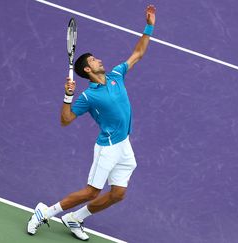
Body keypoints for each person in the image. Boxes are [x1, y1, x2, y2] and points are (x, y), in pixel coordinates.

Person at [27, 5, 156, 241]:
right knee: (91, 191)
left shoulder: (117, 75)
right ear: (87, 69)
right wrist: (67, 96)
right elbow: (65, 121)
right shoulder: (88, 97)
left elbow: (138, 53)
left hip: (124, 145)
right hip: (107, 148)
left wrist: (149, 26)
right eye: (95, 60)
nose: (100, 60)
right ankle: (44, 212)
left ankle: (75, 218)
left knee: (118, 194)